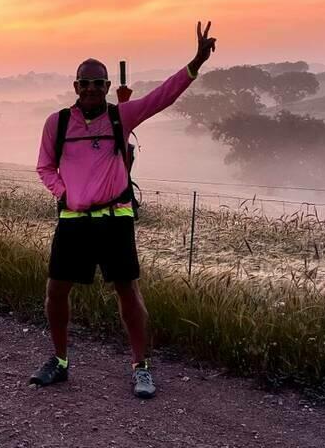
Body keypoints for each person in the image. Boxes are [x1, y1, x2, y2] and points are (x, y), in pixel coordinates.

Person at [29, 21, 217, 398]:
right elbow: (45, 166)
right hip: (72, 221)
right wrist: (63, 193)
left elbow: (163, 96)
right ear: (76, 87)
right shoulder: (58, 122)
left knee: (127, 292)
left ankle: (141, 367)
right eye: (86, 83)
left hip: (115, 220)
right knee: (56, 292)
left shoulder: (121, 116)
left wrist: (195, 63)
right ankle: (60, 361)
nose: (93, 89)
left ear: (108, 88)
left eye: (99, 83)